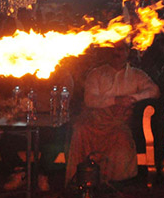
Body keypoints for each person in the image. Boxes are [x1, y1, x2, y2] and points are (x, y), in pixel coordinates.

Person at [65, 41, 159, 185]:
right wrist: (115, 101)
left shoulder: (137, 75)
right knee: (79, 130)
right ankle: (80, 180)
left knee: (121, 139)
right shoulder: (96, 74)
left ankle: (116, 185)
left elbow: (154, 91)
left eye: (121, 49)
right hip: (94, 122)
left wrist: (133, 98)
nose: (116, 53)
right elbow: (90, 100)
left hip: (119, 124)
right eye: (113, 49)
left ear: (128, 52)